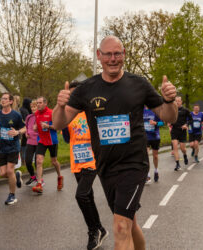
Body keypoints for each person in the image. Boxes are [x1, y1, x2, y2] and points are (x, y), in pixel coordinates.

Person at [52, 36, 177, 250]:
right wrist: (60, 106)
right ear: (99, 55)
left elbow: (169, 116)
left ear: (124, 54)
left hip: (134, 164)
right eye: (108, 54)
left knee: (120, 227)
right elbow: (57, 123)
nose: (113, 59)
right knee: (129, 222)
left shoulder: (139, 84)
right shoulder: (86, 88)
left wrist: (169, 100)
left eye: (117, 53)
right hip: (105, 167)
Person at [62, 81, 109, 250]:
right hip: (77, 161)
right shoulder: (69, 114)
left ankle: (92, 232)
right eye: (72, 94)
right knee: (87, 196)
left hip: (92, 160)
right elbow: (67, 139)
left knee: (80, 195)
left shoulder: (92, 112)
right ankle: (101, 229)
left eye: (78, 93)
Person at [0, 93, 25, 205]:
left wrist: (17, 132)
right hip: (2, 147)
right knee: (2, 173)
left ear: (11, 101)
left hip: (13, 147)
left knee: (9, 170)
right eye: (2, 98)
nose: (3, 100)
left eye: (5, 99)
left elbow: (24, 128)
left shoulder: (16, 115)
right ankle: (16, 177)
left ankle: (12, 195)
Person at [32, 96, 63, 193]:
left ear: (45, 103)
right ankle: (39, 183)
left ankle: (59, 177)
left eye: (40, 103)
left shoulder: (51, 113)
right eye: (37, 103)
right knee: (39, 161)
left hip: (52, 141)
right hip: (41, 140)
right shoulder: (36, 114)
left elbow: (58, 127)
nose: (38, 105)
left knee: (54, 161)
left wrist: (48, 126)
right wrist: (35, 127)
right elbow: (36, 125)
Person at [170, 97, 192, 170]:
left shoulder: (185, 110)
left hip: (182, 131)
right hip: (174, 131)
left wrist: (186, 125)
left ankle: (185, 155)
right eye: (176, 101)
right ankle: (177, 164)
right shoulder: (172, 110)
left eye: (179, 101)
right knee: (175, 147)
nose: (177, 102)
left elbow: (191, 120)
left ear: (181, 102)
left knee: (182, 148)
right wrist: (169, 123)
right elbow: (169, 118)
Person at [143, 106, 164, 183]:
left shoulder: (156, 111)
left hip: (155, 137)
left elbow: (162, 123)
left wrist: (155, 123)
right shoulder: (141, 110)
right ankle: (147, 175)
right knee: (145, 155)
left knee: (155, 156)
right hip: (145, 137)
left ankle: (156, 170)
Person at [24, 100, 39, 186]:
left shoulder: (40, 116)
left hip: (38, 141)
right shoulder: (29, 117)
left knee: (38, 162)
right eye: (32, 107)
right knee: (28, 160)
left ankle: (39, 179)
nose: (33, 108)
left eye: (35, 107)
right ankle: (33, 177)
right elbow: (26, 127)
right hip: (30, 141)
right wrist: (26, 133)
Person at [19, 98, 32, 165]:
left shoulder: (20, 109)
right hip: (25, 130)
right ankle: (24, 160)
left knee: (22, 146)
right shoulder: (26, 111)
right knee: (25, 146)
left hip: (20, 129)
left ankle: (22, 160)